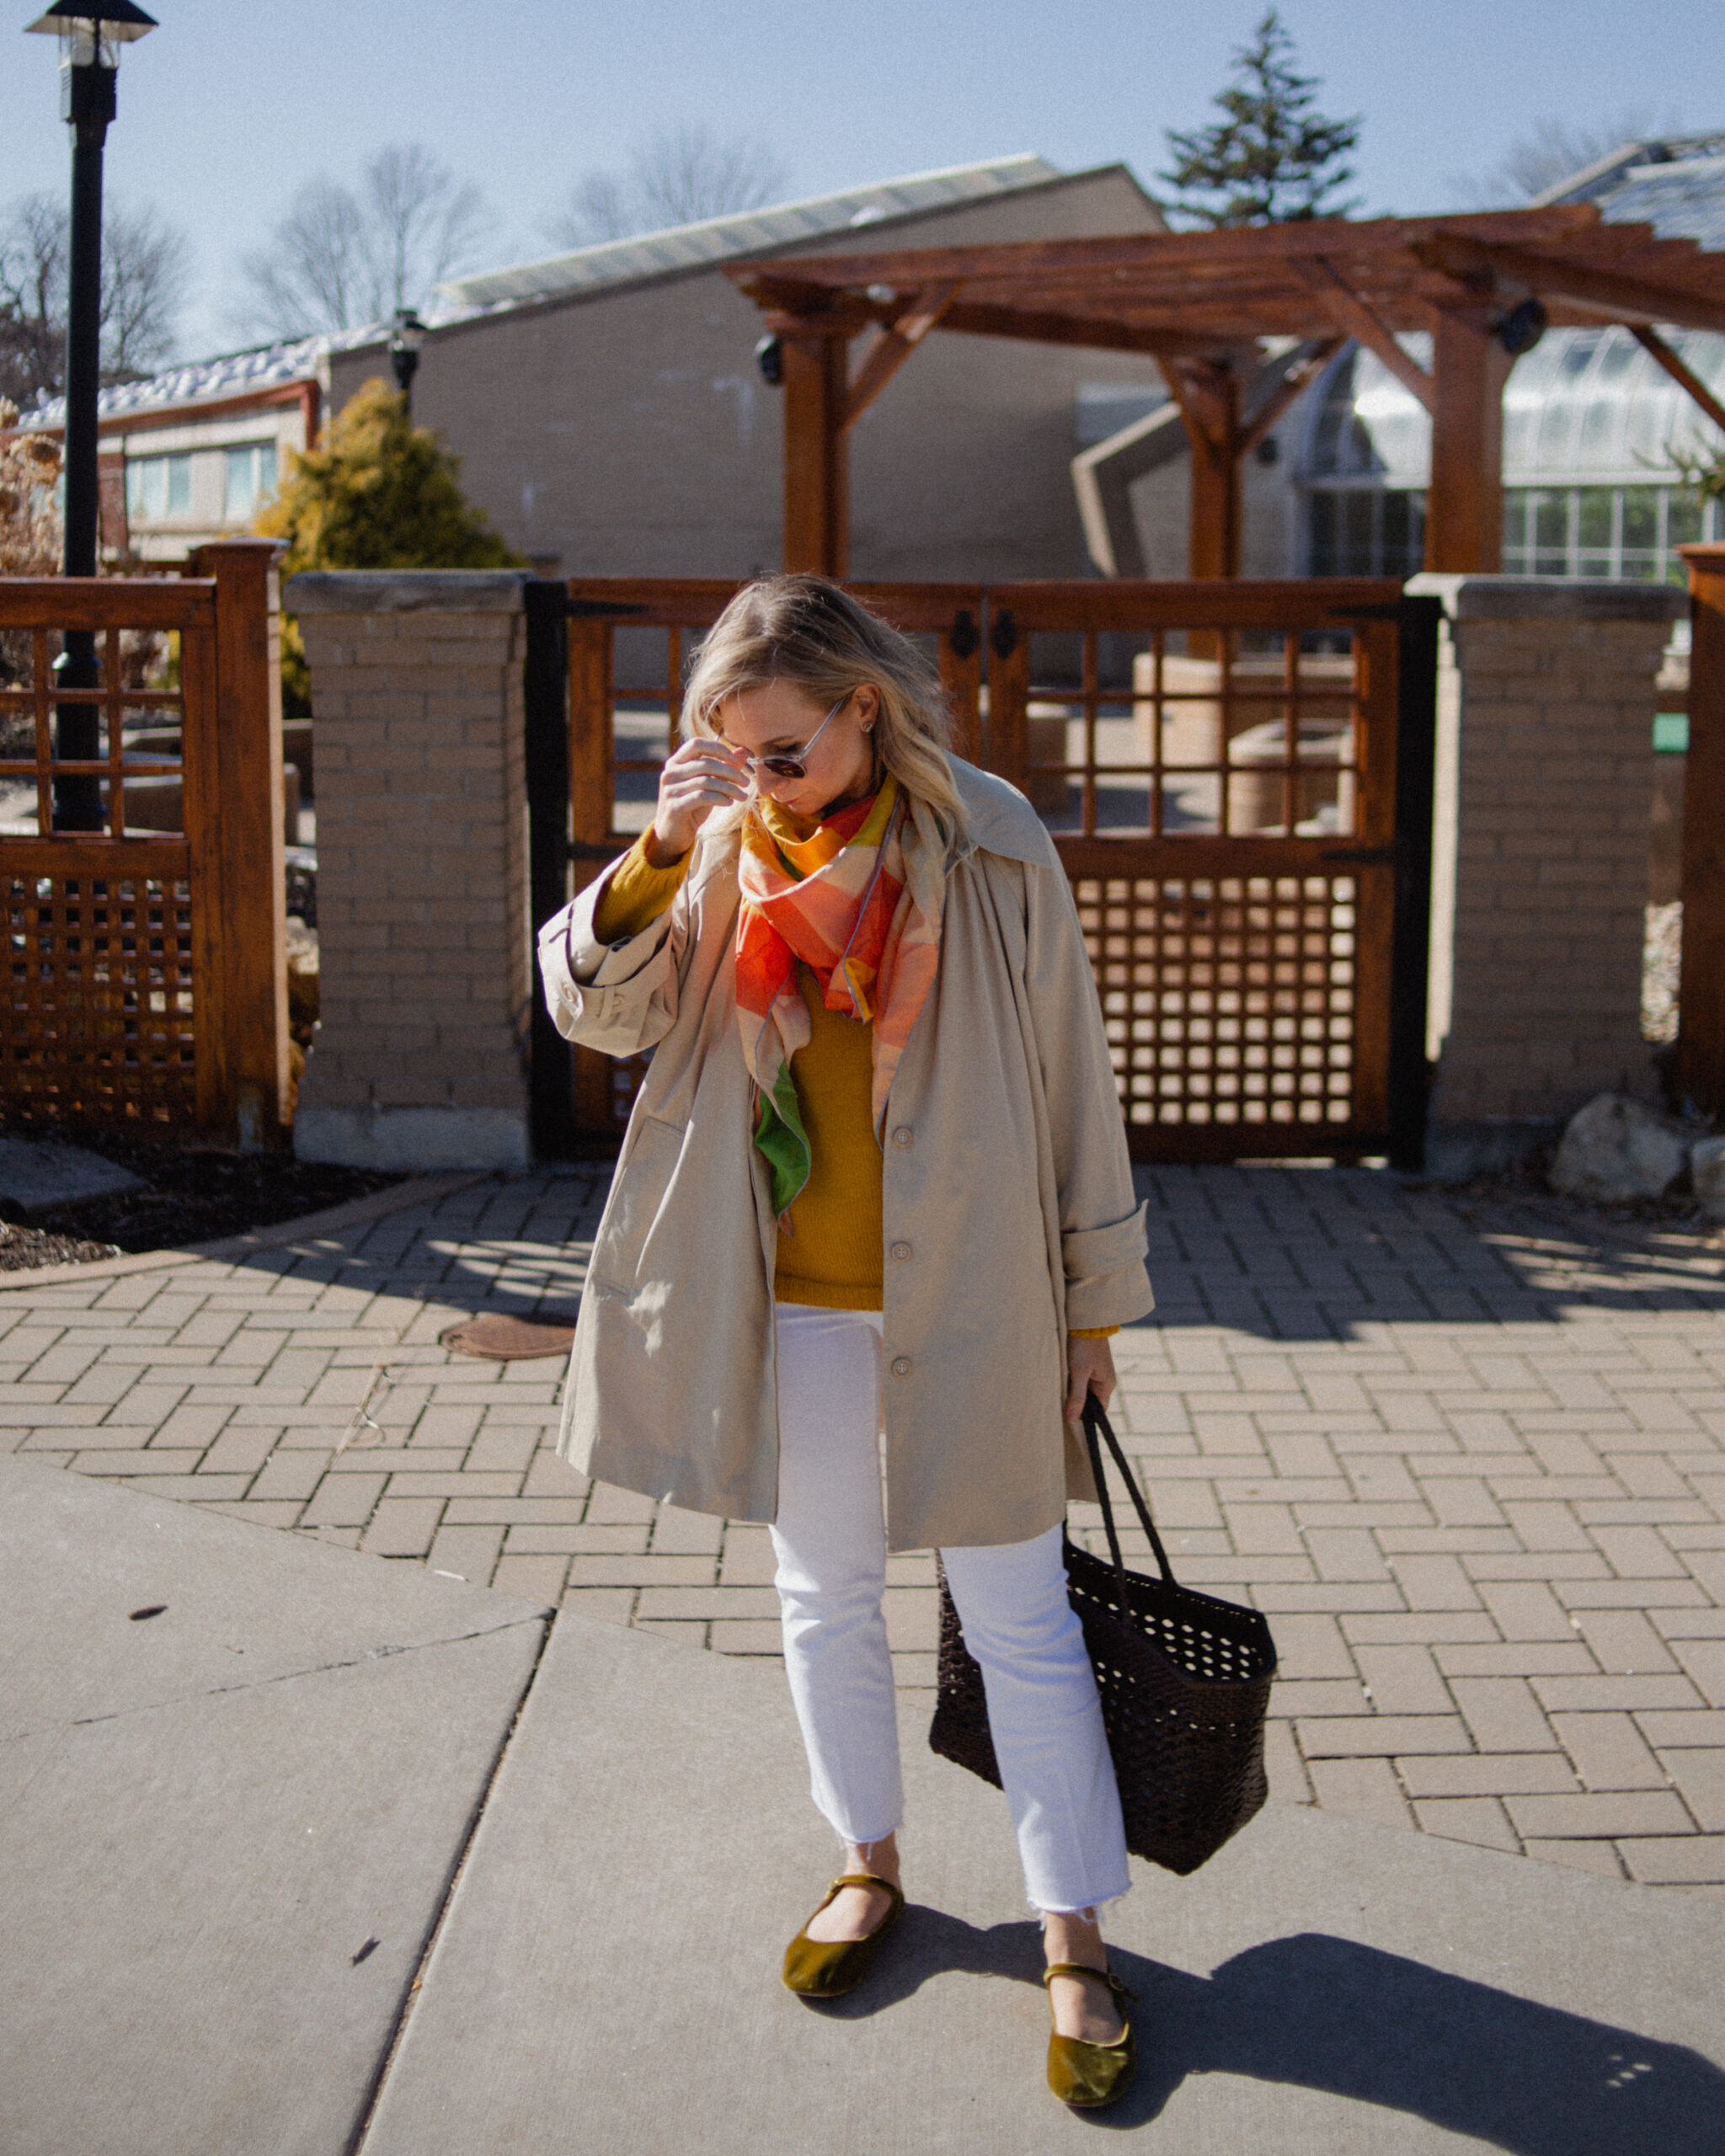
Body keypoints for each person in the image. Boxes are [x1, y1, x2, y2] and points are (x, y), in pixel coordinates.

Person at [537, 576, 1154, 2111]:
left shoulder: (993, 842)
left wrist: (1095, 1303)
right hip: (787, 1295)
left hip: (977, 1291)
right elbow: (596, 1017)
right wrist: (662, 850)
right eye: (733, 753)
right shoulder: (721, 855)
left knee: (1018, 1609)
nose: (762, 778)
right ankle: (867, 1864)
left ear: (863, 710)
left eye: (785, 750)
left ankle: (1068, 1928)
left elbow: (1074, 1071)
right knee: (822, 1598)